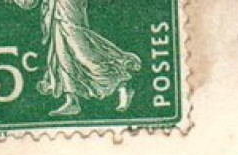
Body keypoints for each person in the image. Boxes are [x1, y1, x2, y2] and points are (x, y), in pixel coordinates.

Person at [11, 0, 142, 117]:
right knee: (61, 51)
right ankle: (71, 100)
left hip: (69, 5)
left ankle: (122, 85)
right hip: (55, 7)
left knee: (82, 51)